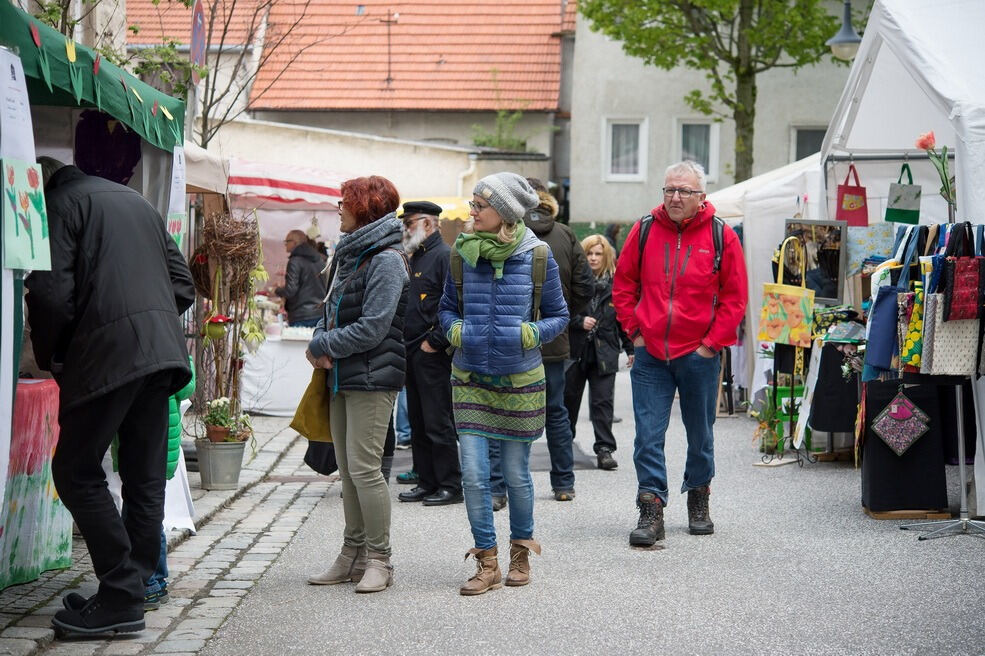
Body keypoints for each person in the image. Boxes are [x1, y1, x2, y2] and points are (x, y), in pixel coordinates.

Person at [25, 158, 194, 636]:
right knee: (143, 476)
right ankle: (131, 591)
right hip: (160, 356)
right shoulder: (135, 201)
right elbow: (182, 284)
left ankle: (121, 591)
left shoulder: (58, 204)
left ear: (40, 184)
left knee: (74, 471)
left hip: (111, 355)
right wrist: (149, 319)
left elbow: (52, 294)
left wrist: (55, 354)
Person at [439, 172, 569, 596]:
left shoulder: (538, 255)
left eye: (479, 204)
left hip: (521, 380)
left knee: (516, 475)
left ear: (506, 213)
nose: (471, 211)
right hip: (470, 377)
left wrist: (529, 334)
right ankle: (486, 561)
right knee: (475, 476)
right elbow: (445, 311)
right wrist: (457, 331)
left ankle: (520, 554)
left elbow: (558, 316)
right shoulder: (461, 252)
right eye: (473, 203)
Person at [612, 160, 747, 547]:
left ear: (701, 197)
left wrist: (711, 345)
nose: (674, 197)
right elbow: (623, 285)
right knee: (647, 436)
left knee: (700, 434)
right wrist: (635, 333)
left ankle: (699, 498)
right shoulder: (645, 230)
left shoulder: (722, 236)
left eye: (684, 191)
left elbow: (735, 299)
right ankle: (651, 509)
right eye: (669, 189)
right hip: (651, 352)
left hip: (698, 354)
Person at [305, 176, 409, 593]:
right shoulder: (354, 253)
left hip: (372, 376)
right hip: (344, 374)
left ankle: (380, 561)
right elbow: (333, 311)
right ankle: (352, 555)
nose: (338, 207)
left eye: (344, 202)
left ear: (364, 208)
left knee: (366, 471)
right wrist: (320, 336)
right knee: (348, 472)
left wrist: (323, 343)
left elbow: (374, 327)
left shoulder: (385, 259)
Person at [520, 178, 593, 502]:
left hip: (513, 339)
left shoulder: (507, 230)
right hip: (553, 339)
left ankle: (501, 487)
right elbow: (585, 285)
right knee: (556, 412)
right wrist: (562, 317)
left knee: (507, 412)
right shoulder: (565, 234)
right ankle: (563, 483)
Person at [395, 200, 463, 507]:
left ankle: (450, 483)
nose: (405, 229)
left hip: (431, 352)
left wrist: (435, 341)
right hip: (412, 350)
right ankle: (426, 480)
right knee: (419, 422)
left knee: (437, 421)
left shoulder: (443, 256)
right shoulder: (417, 256)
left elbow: (455, 305)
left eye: (409, 223)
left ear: (427, 223)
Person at [564, 234, 634, 471]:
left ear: (606, 257)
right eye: (589, 253)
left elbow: (624, 321)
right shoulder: (574, 283)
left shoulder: (616, 286)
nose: (593, 258)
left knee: (603, 403)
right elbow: (558, 312)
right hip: (575, 351)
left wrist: (631, 348)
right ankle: (564, 446)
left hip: (605, 352)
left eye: (598, 254)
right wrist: (578, 321)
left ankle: (604, 450)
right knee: (569, 401)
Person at [274, 229, 327, 327]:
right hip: (320, 314)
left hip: (301, 315)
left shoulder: (295, 261)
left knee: (297, 342)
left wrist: (277, 290)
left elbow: (290, 291)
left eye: (287, 241)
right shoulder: (320, 259)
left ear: (294, 242)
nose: (285, 244)